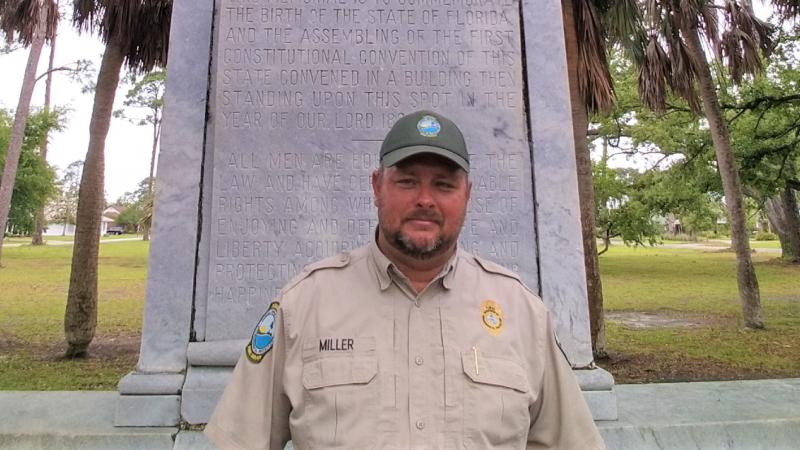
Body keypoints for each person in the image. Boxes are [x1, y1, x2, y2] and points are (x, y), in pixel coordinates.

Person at [205, 110, 605, 450]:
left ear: (468, 194)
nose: (425, 200)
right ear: (377, 186)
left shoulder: (522, 314)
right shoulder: (303, 306)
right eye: (407, 181)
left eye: (444, 184)